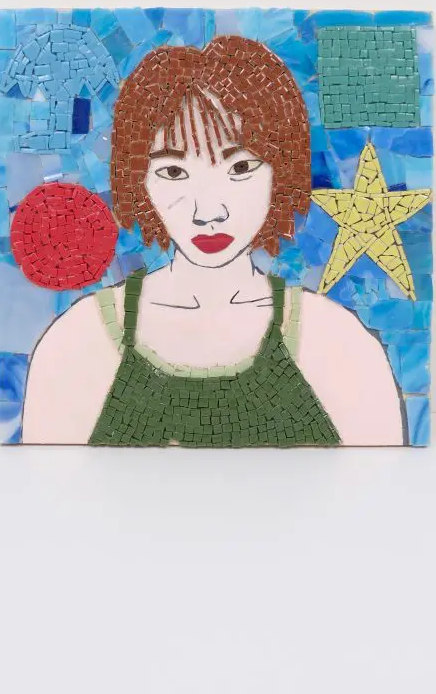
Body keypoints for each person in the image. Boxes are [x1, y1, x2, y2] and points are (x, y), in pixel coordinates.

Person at [21, 35, 406, 446]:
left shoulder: (336, 343)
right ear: (137, 180)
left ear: (281, 170)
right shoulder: (81, 342)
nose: (208, 211)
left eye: (240, 167)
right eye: (173, 172)